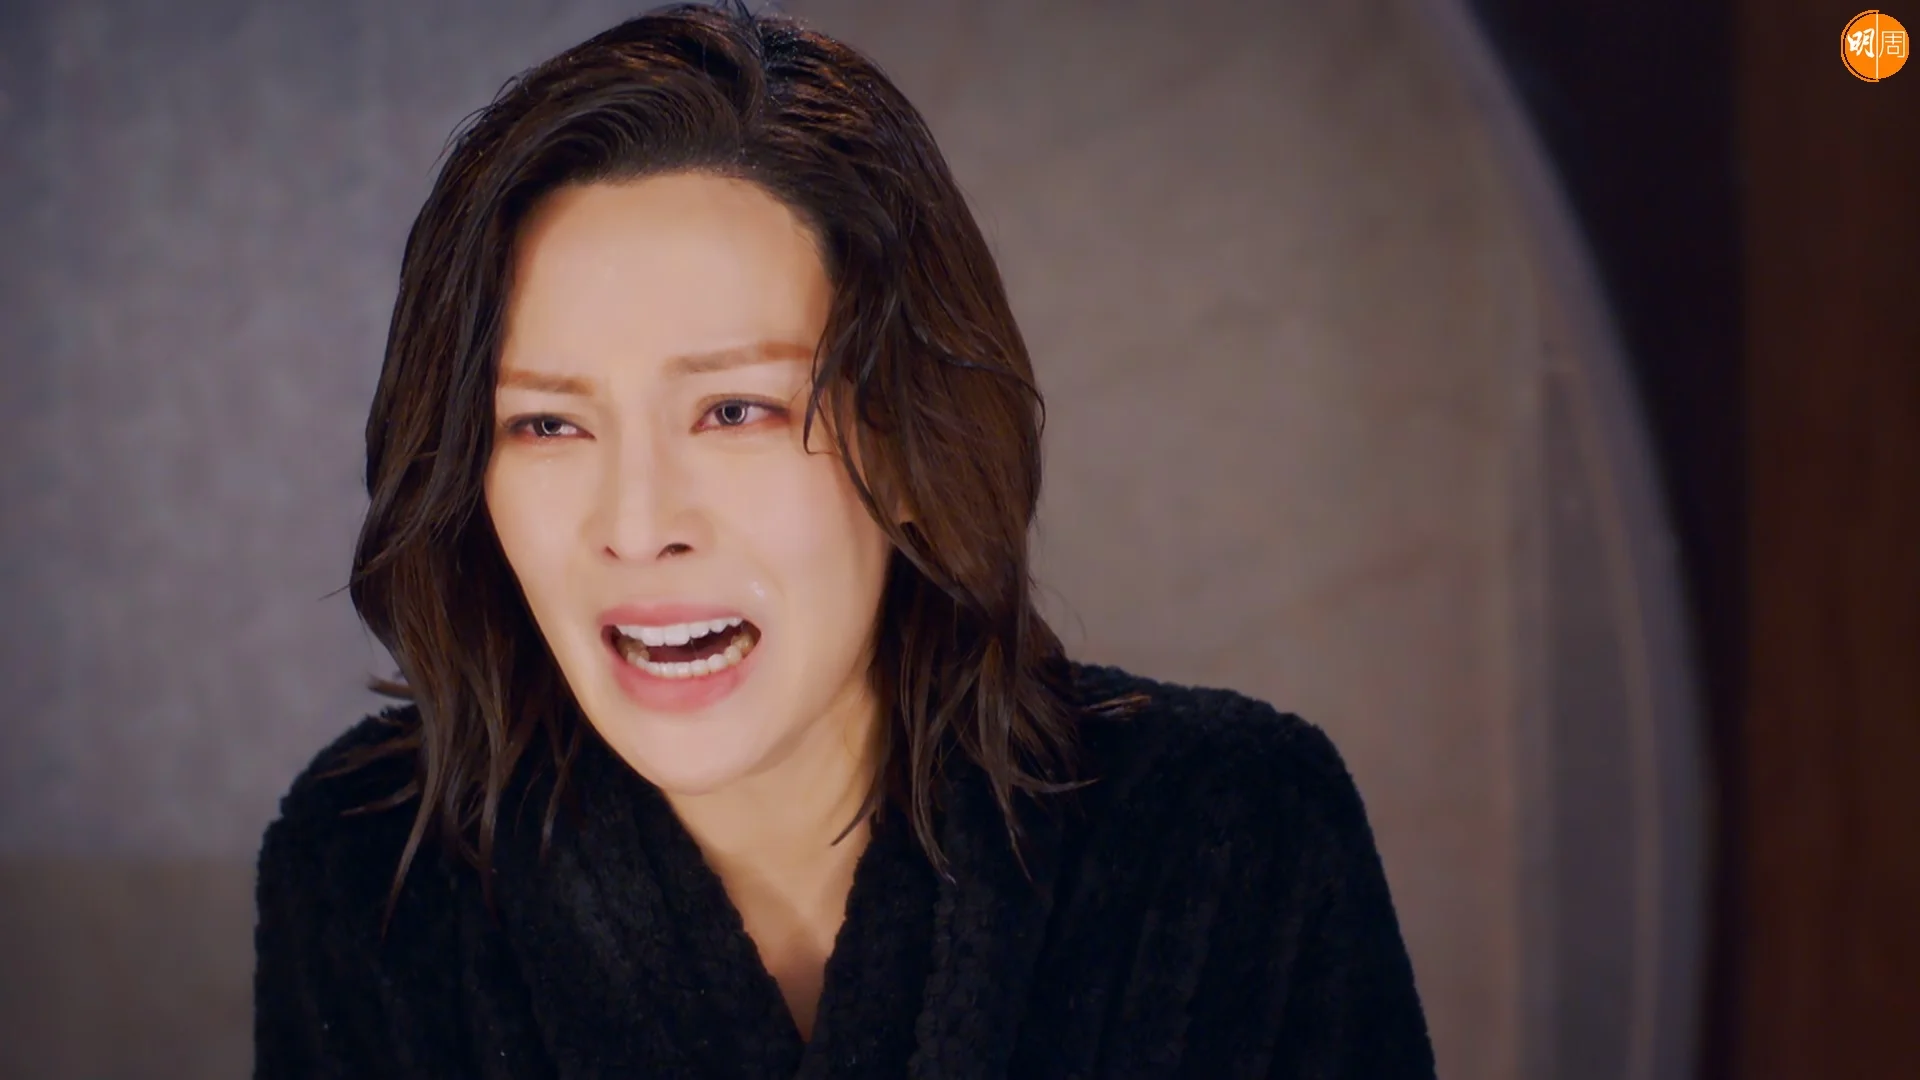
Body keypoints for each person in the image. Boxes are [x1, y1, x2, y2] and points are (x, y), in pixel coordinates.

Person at [251, 3, 1436, 1076]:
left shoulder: (1236, 836)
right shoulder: (368, 869)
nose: (639, 526)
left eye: (736, 412)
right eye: (548, 424)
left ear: (912, 447)